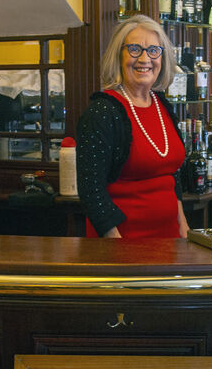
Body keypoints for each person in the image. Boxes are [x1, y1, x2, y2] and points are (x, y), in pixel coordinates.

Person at [77, 15, 190, 239]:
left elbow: (171, 175)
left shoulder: (162, 106)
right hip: (123, 242)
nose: (145, 59)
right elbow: (91, 191)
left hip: (170, 240)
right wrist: (117, 246)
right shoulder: (102, 112)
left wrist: (184, 228)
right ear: (118, 56)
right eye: (135, 49)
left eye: (153, 51)